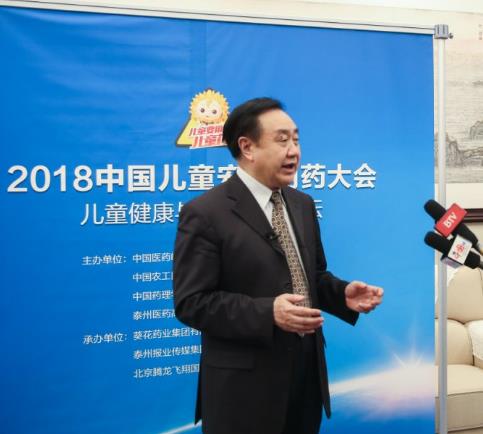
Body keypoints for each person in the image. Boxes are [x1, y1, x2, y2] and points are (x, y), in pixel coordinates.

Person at [173, 97, 383, 434]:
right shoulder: (206, 213)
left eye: (296, 139)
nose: (294, 151)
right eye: (282, 140)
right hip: (243, 392)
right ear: (247, 147)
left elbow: (310, 276)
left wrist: (341, 293)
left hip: (305, 379)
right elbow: (192, 303)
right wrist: (268, 312)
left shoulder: (302, 204)